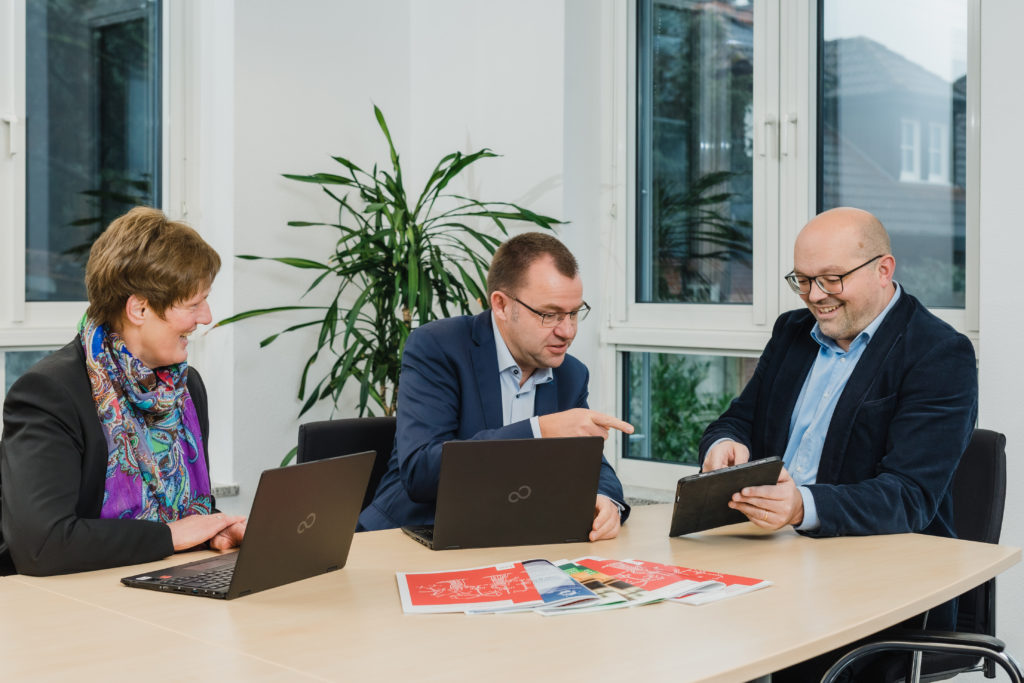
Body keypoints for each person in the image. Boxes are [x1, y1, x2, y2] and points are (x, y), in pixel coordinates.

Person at [699, 206, 977, 680]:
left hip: (875, 582)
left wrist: (801, 506)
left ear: (883, 270)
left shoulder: (938, 353)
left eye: (831, 279)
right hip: (771, 556)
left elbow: (908, 497)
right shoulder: (792, 332)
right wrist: (724, 443)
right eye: (803, 280)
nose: (815, 296)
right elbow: (739, 419)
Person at [0, 207, 246, 576]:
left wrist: (215, 529)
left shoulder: (186, 387)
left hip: (168, 583)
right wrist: (170, 536)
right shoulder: (50, 394)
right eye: (193, 304)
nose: (206, 317)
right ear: (139, 308)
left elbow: (180, 510)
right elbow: (43, 545)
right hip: (77, 600)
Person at [359, 232, 634, 540]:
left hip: (509, 540)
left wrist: (605, 500)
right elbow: (421, 472)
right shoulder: (438, 347)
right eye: (549, 315)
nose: (567, 331)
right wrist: (539, 431)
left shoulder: (571, 374)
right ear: (501, 305)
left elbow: (593, 464)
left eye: (573, 313)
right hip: (409, 537)